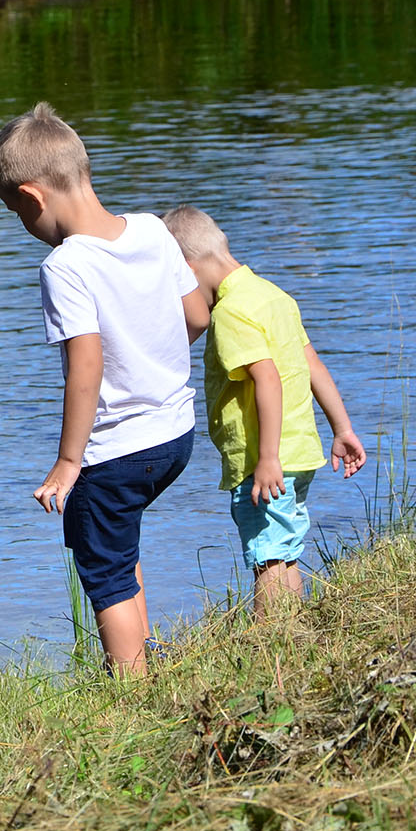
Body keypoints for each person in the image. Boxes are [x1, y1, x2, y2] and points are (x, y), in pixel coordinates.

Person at [0, 103, 209, 677]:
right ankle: (149, 657)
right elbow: (196, 315)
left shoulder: (66, 266)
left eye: (16, 213)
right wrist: (149, 350)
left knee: (104, 563)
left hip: (115, 451)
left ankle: (131, 690)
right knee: (121, 543)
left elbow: (85, 367)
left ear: (33, 197)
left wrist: (67, 462)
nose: (24, 226)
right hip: (176, 436)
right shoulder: (154, 231)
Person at [162, 206, 366, 619]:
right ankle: (294, 632)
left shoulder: (230, 313)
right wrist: (342, 429)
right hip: (299, 452)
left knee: (266, 556)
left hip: (265, 460)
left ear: (185, 269)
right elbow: (314, 365)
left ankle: (270, 646)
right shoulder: (274, 296)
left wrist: (267, 459)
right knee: (282, 549)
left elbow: (266, 379)